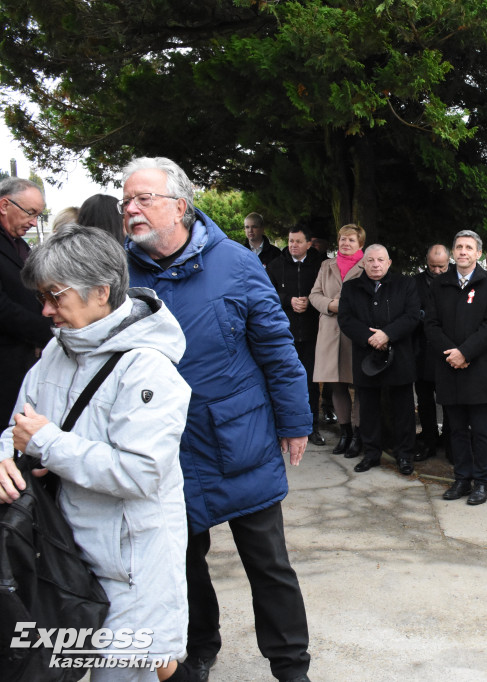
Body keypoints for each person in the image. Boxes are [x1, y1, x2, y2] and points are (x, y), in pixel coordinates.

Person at [121, 157, 313, 682]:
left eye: (144, 199)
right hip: (164, 448)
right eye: (126, 200)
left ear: (180, 206)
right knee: (181, 564)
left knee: (268, 563)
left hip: (239, 437)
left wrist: (295, 421)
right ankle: (198, 650)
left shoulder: (236, 262)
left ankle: (291, 667)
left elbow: (277, 348)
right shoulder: (117, 273)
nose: (131, 209)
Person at [0, 225, 191, 681]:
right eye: (41, 297)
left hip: (129, 567)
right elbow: (18, 427)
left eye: (55, 296)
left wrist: (47, 444)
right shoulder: (55, 350)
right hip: (60, 556)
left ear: (101, 292)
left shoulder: (147, 368)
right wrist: (5, 456)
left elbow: (140, 472)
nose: (45, 311)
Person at [424, 230, 487, 504]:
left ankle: (482, 482)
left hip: (479, 369)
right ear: (453, 251)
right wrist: (452, 354)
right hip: (449, 368)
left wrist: (465, 352)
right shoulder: (439, 284)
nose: (463, 252)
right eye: (459, 247)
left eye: (469, 247)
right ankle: (462, 479)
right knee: (455, 429)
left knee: (481, 431)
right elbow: (431, 324)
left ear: (478, 253)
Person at [338, 244, 421, 476]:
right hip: (366, 356)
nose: (376, 264)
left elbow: (412, 315)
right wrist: (370, 338)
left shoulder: (405, 284)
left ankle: (404, 455)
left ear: (389, 262)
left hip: (399, 356)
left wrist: (387, 334)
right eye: (371, 260)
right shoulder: (351, 287)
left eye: (380, 260)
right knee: (369, 409)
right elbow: (345, 319)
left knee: (403, 410)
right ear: (364, 263)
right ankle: (371, 454)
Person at [267, 226, 327, 446]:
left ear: (308, 244)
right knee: (284, 382)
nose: (293, 245)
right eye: (291, 241)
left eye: (298, 241)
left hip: (313, 333)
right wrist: (288, 300)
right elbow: (266, 294)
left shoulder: (320, 266)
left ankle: (312, 427)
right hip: (285, 334)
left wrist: (311, 301)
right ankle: (284, 427)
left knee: (311, 383)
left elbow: (327, 292)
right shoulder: (275, 266)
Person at [309, 224, 365, 456]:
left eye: (351, 240)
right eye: (342, 239)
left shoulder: (367, 265)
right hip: (330, 330)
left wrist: (348, 307)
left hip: (356, 332)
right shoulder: (326, 265)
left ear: (360, 244)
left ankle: (359, 434)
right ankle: (345, 433)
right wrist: (330, 305)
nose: (345, 243)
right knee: (336, 384)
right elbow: (314, 294)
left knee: (360, 384)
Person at [0, 177, 52, 426]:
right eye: (30, 213)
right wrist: (47, 333)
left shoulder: (21, 246)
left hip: (23, 363)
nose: (33, 222)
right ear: (4, 205)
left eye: (37, 215)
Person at [413, 244, 451, 461]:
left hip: (447, 349)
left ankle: (449, 439)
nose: (436, 271)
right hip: (422, 350)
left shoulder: (456, 279)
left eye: (441, 267)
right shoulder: (415, 282)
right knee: (425, 400)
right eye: (432, 266)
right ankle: (429, 440)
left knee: (449, 400)